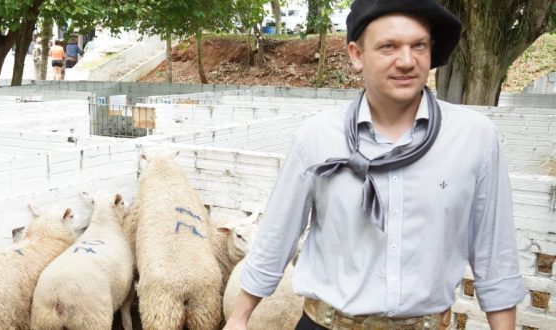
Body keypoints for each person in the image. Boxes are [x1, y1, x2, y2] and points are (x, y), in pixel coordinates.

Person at [224, 1, 525, 329]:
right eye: (389, 47)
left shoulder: (474, 138)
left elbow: (495, 259)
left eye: (418, 46)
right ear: (356, 55)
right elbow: (276, 237)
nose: (407, 61)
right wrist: (238, 319)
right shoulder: (317, 138)